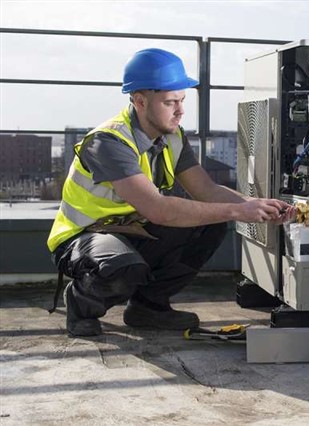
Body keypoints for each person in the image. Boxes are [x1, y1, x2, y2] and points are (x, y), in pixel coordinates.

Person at [47, 48, 295, 337]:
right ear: (140, 101)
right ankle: (82, 303)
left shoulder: (173, 137)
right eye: (170, 102)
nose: (180, 110)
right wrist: (240, 211)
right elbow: (158, 209)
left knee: (210, 224)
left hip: (133, 231)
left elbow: (206, 190)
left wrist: (256, 205)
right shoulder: (109, 142)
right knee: (122, 268)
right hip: (86, 236)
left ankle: (148, 307)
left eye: (182, 100)